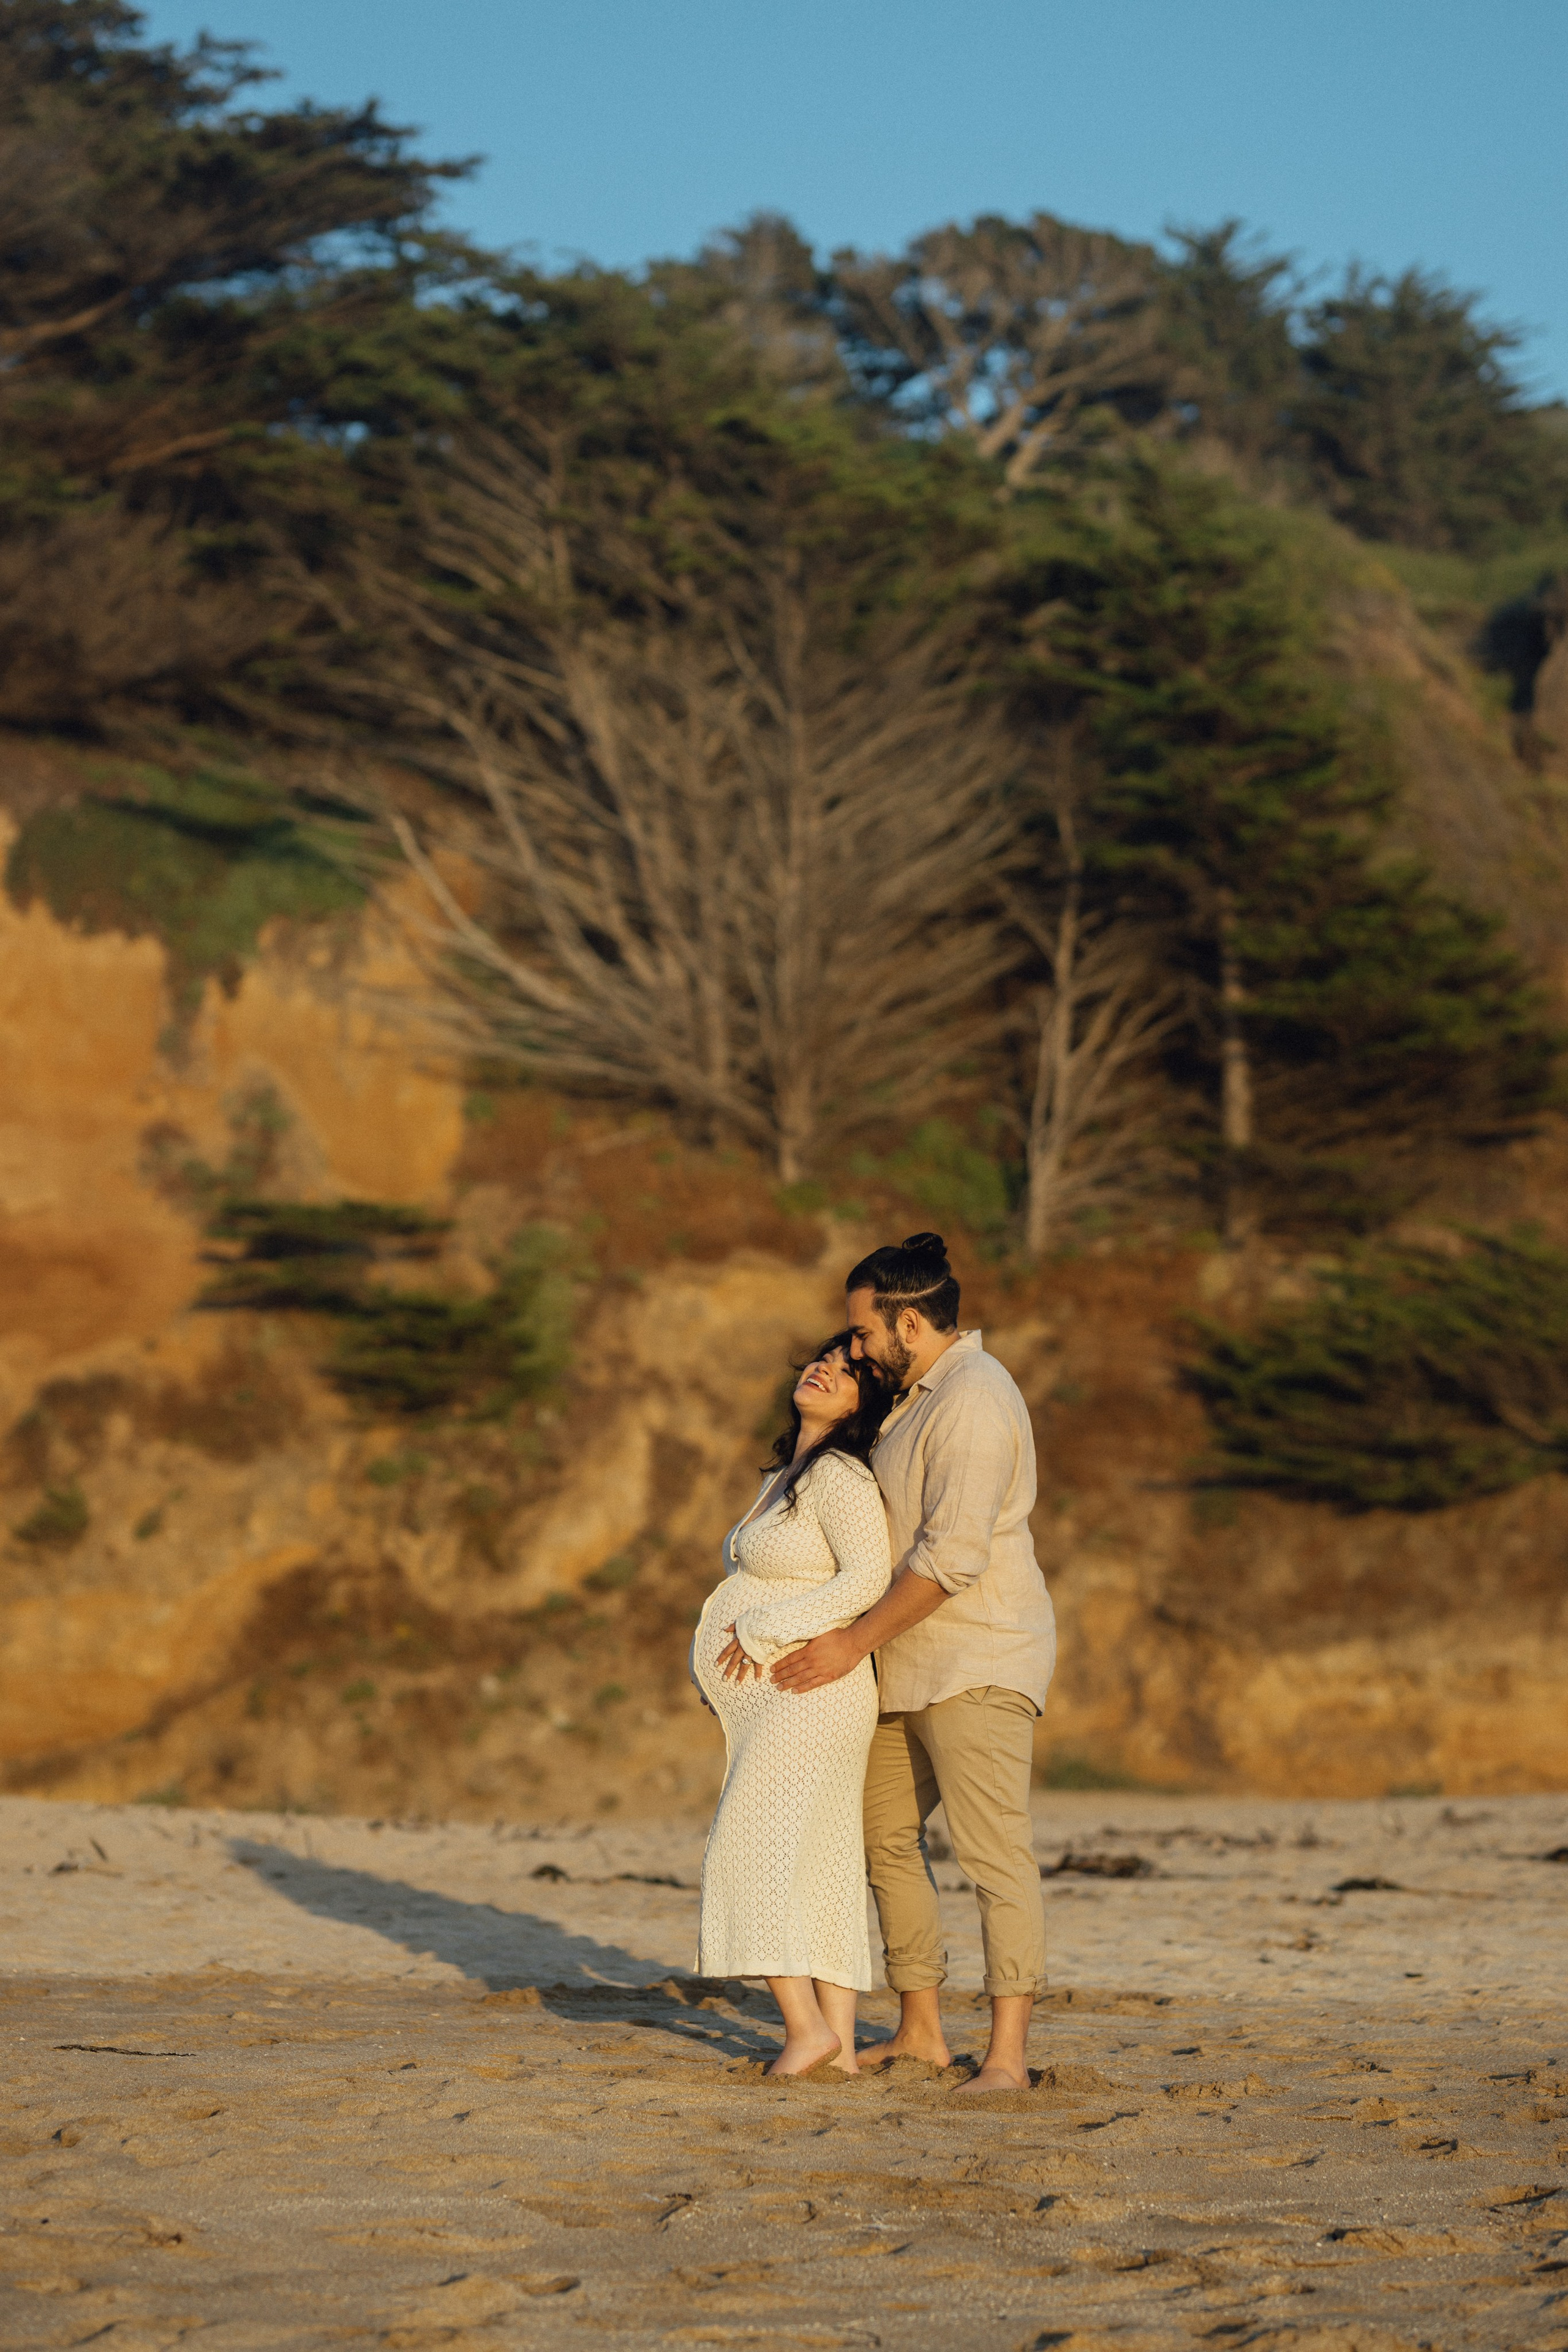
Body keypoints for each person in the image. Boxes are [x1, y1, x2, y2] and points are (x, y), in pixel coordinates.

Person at [771, 1234, 1055, 2094]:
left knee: (993, 1854)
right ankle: (922, 2030)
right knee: (882, 1838)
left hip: (978, 1656)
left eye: (862, 1330)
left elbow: (953, 1555)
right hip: (902, 1663)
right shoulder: (910, 1400)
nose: (854, 1346)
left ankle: (1006, 2056)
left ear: (907, 1320)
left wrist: (851, 1641)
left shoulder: (975, 1395)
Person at [690, 1335, 892, 2077]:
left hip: (808, 1693)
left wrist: (760, 1627)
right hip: (784, 1700)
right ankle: (835, 2051)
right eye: (824, 1359)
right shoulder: (790, 1472)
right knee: (821, 1864)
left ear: (861, 1405)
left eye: (845, 1372)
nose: (825, 1369)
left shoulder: (839, 1473)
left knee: (750, 1849)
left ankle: (806, 2031)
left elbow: (867, 1578)